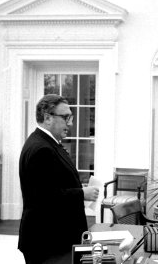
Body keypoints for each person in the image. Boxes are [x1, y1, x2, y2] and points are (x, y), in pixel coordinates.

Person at [18, 94, 99, 264]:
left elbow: (55, 184)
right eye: (65, 117)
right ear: (47, 118)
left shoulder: (49, 143)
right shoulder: (41, 148)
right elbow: (43, 197)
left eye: (71, 117)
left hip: (55, 239)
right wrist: (81, 193)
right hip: (48, 242)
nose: (70, 123)